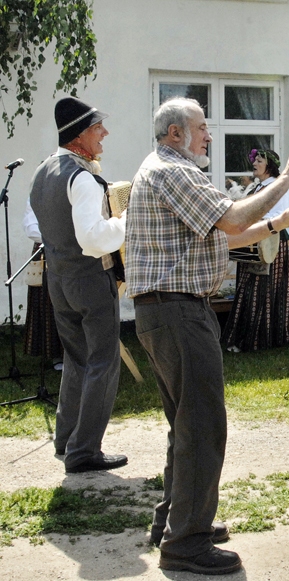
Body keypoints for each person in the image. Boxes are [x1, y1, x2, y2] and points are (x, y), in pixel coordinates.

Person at [126, 97, 289, 575]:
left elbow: (220, 236)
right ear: (175, 133)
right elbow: (231, 219)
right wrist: (288, 175)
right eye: (202, 127)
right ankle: (186, 543)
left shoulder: (168, 170)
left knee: (187, 424)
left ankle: (176, 521)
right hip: (178, 311)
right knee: (202, 425)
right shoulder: (173, 171)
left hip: (170, 310)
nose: (209, 135)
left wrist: (277, 222)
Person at [28, 96, 127, 473]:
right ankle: (84, 450)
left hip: (59, 280)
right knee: (103, 361)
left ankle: (66, 437)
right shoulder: (82, 178)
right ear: (78, 136)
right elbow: (93, 239)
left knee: (76, 359)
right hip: (90, 279)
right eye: (97, 128)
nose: (104, 133)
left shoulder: (43, 171)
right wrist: (125, 221)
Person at [221, 149, 289, 351]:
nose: (255, 163)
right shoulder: (257, 186)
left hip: (270, 243)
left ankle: (266, 337)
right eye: (255, 160)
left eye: (259, 160)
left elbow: (279, 215)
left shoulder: (277, 187)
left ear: (270, 166)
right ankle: (249, 336)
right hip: (254, 241)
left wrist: (253, 220)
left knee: (265, 289)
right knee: (250, 288)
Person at [22, 199, 64, 370]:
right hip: (47, 250)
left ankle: (78, 353)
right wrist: (57, 237)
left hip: (74, 250)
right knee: (48, 302)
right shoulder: (38, 191)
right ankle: (55, 354)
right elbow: (30, 226)